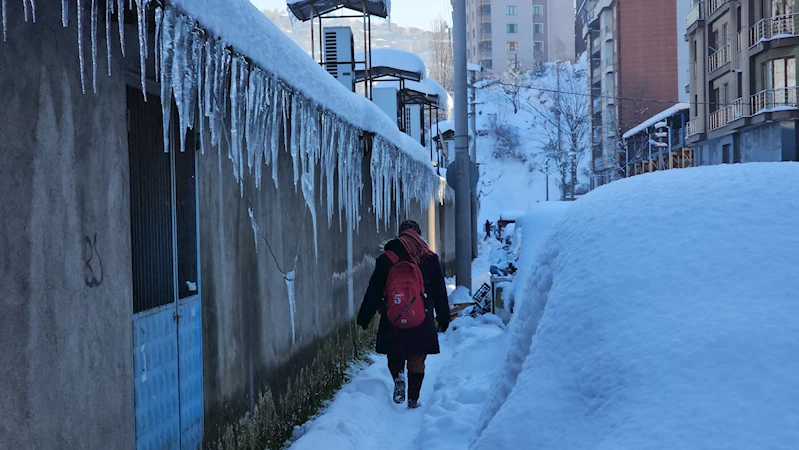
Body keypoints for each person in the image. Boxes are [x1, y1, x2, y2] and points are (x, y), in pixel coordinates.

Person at [357, 220, 450, 409]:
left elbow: (374, 290)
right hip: (421, 318)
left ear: (400, 234)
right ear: (418, 234)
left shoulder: (386, 259)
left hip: (393, 317)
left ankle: (398, 378)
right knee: (417, 357)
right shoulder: (429, 258)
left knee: (395, 352)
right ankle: (413, 398)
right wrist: (443, 317)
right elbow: (440, 291)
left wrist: (365, 316)